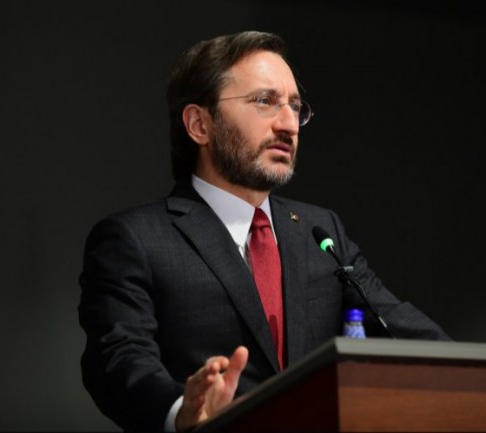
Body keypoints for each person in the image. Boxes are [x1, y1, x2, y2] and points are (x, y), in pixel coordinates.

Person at [78, 30, 450, 433]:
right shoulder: (136, 239)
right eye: (264, 101)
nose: (289, 124)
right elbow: (116, 358)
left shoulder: (319, 230)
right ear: (199, 125)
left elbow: (396, 324)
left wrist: (481, 376)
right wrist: (181, 411)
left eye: (295, 106)